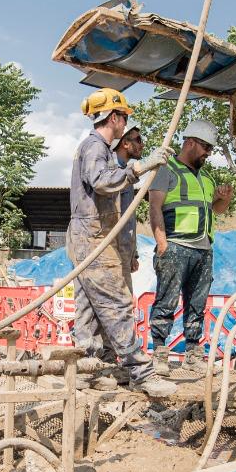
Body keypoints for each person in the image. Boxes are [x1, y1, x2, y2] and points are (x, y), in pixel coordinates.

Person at [68, 89, 173, 398]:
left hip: (90, 236)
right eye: (124, 117)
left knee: (88, 307)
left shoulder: (95, 148)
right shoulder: (95, 146)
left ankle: (88, 368)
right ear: (113, 117)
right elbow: (102, 182)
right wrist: (138, 168)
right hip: (94, 237)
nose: (126, 124)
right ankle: (140, 371)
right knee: (116, 304)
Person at [147, 120, 232, 373]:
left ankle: (193, 353)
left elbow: (214, 210)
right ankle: (160, 353)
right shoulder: (165, 170)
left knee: (197, 303)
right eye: (206, 147)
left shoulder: (206, 178)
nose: (208, 153)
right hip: (175, 245)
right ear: (191, 142)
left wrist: (223, 200)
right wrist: (162, 243)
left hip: (203, 250)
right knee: (166, 300)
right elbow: (154, 207)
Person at [74, 122, 144, 363]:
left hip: (117, 247)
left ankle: (101, 362)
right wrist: (137, 170)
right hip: (99, 244)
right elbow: (101, 186)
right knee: (108, 304)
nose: (141, 144)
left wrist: (132, 253)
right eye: (137, 139)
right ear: (125, 142)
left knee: (103, 304)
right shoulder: (110, 167)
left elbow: (128, 218)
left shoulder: (121, 174)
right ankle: (100, 362)